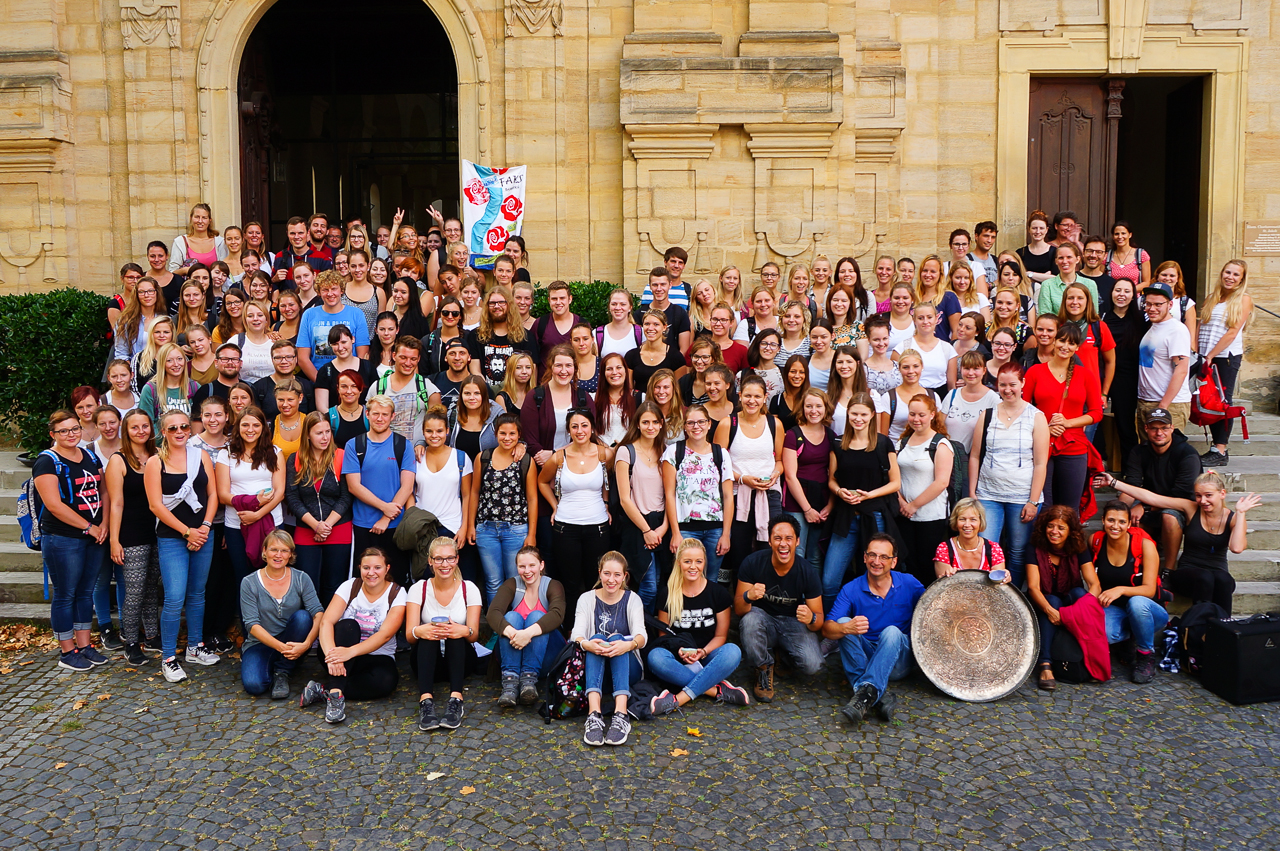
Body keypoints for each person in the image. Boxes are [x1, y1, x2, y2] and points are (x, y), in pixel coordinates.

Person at [1101, 470, 1257, 615]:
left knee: (1225, 580)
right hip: (1188, 574)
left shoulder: (1234, 518)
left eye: (1208, 495)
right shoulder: (1191, 508)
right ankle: (1198, 626)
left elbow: (1236, 547)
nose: (1202, 501)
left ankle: (1224, 628)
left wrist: (1241, 513)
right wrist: (1114, 482)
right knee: (1205, 578)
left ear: (1222, 494)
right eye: (1198, 495)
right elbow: (1153, 498)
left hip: (1216, 575)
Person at [144, 410, 219, 683]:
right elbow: (155, 505)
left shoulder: (201, 456)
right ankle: (168, 657)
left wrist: (206, 527)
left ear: (190, 429)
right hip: (173, 536)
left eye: (184, 427)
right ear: (163, 432)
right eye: (172, 428)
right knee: (175, 597)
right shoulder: (155, 462)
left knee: (197, 593)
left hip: (203, 533)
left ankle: (194, 647)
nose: (179, 431)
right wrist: (187, 532)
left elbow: (212, 494)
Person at [36, 410, 110, 672]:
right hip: (63, 539)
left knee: (85, 593)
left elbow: (103, 489)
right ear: (52, 434)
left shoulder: (89, 454)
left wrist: (105, 524)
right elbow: (54, 505)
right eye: (64, 431)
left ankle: (84, 645)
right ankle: (67, 651)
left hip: (94, 535)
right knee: (66, 594)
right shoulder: (47, 461)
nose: (71, 434)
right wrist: (90, 527)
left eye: (75, 429)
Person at [824, 533, 923, 725]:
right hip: (868, 656)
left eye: (884, 557)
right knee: (843, 622)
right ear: (864, 558)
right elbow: (828, 630)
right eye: (872, 555)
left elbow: (933, 607)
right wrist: (846, 627)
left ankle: (864, 691)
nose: (877, 561)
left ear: (893, 562)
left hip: (899, 660)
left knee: (892, 632)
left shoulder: (909, 583)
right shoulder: (851, 589)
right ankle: (872, 695)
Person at [301, 548, 405, 724]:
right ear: (359, 568)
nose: (371, 573)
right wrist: (332, 656)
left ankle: (322, 689)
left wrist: (350, 652)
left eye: (377, 568)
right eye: (366, 568)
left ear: (387, 569)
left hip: (375, 656)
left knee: (386, 682)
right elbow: (326, 622)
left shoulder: (397, 593)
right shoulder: (350, 586)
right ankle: (336, 696)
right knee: (349, 626)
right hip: (336, 649)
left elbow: (385, 635)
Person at [648, 539, 750, 715]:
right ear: (679, 563)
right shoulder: (667, 593)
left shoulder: (718, 593)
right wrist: (680, 650)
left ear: (704, 563)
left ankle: (677, 699)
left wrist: (702, 652)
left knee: (733, 651)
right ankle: (716, 691)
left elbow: (720, 637)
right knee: (655, 657)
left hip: (708, 657)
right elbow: (663, 637)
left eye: (698, 561)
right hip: (678, 659)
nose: (693, 567)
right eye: (687, 561)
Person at [970, 363, 1049, 588]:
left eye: (1013, 384)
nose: (1007, 389)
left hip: (1022, 496)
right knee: (987, 546)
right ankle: (987, 593)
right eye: (1002, 385)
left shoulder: (1036, 417)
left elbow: (1041, 463)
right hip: (988, 494)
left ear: (1023, 384)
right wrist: (973, 492)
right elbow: (975, 456)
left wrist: (1033, 501)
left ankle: (1012, 595)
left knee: (1017, 550)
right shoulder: (987, 415)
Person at [735, 515, 824, 702]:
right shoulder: (753, 562)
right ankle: (763, 668)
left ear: (798, 541)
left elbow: (819, 621)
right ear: (769, 541)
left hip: (792, 622)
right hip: (762, 618)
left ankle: (782, 654)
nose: (783, 544)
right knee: (749, 620)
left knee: (813, 665)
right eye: (778, 538)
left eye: (789, 538)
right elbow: (739, 610)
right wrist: (747, 596)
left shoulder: (807, 571)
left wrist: (811, 618)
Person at [824, 394, 902, 608]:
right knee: (829, 581)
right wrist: (840, 492)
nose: (858, 419)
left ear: (872, 415)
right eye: (854, 414)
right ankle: (832, 625)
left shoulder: (883, 443)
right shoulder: (838, 443)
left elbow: (895, 483)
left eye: (863, 414)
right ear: (847, 414)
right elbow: (832, 479)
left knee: (877, 576)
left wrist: (870, 494)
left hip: (875, 516)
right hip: (846, 517)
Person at [571, 551, 648, 747]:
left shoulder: (632, 599)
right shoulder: (586, 599)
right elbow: (576, 634)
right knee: (596, 638)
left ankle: (621, 715)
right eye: (606, 574)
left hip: (627, 668)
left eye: (616, 575)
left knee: (616, 639)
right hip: (596, 672)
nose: (611, 580)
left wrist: (626, 645)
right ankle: (594, 715)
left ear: (624, 576)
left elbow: (642, 636)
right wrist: (587, 644)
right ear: (599, 573)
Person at [405, 536, 482, 732]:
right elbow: (409, 636)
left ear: (457, 559)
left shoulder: (469, 588)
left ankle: (456, 699)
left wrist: (463, 630)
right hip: (426, 660)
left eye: (449, 558)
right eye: (439, 559)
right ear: (430, 561)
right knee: (431, 633)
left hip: (460, 659)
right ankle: (426, 701)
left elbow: (474, 636)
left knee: (452, 633)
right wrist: (420, 630)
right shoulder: (418, 588)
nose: (444, 564)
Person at [538, 408, 613, 607]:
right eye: (574, 426)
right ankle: (571, 630)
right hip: (565, 526)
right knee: (569, 582)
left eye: (584, 425)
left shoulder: (604, 454)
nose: (580, 430)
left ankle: (594, 627)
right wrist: (555, 506)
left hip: (598, 526)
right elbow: (543, 481)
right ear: (569, 430)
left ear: (592, 428)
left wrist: (605, 503)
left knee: (595, 581)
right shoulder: (559, 456)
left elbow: (607, 480)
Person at [1086, 500, 1167, 684]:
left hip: (1149, 611)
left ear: (1129, 524)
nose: (1115, 526)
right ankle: (1128, 640)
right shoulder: (1096, 541)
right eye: (1111, 520)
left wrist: (1120, 589)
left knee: (1136, 603)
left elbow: (1149, 589)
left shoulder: (1144, 545)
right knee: (1105, 634)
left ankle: (1146, 655)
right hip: (1115, 609)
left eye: (1122, 522)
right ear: (1103, 520)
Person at [1023, 323, 1102, 510]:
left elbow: (1096, 412)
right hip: (1043, 443)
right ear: (1054, 341)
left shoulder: (1086, 375)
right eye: (1062, 340)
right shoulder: (1035, 371)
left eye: (1072, 343)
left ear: (1077, 347)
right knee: (1044, 504)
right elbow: (1024, 409)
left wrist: (1068, 423)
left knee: (1069, 507)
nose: (1065, 346)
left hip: (1074, 445)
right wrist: (1045, 428)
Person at [715, 375, 783, 585]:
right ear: (740, 396)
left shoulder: (774, 423)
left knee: (769, 547)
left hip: (768, 493)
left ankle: (767, 595)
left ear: (765, 398)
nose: (752, 401)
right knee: (739, 550)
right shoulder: (729, 423)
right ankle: (740, 598)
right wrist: (743, 478)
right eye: (747, 396)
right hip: (737, 496)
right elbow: (717, 464)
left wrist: (774, 475)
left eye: (757, 396)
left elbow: (779, 461)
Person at [239, 531, 324, 699]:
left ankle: (282, 671)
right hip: (259, 643)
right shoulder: (249, 582)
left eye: (284, 550)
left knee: (302, 617)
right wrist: (281, 648)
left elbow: (318, 613)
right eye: (273, 549)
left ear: (291, 554)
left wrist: (307, 644)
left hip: (293, 640)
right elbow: (252, 625)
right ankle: (277, 662)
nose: (278, 555)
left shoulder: (301, 578)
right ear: (264, 551)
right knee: (254, 685)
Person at [105, 409, 161, 664]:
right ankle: (130, 641)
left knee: (152, 587)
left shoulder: (158, 455)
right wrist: (114, 540)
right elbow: (115, 503)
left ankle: (151, 635)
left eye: (145, 426)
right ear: (126, 431)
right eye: (134, 427)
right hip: (131, 533)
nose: (141, 431)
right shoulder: (119, 460)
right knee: (135, 591)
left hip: (159, 531)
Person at [215, 405, 286, 597]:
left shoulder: (275, 452)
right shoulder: (226, 453)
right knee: (243, 578)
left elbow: (280, 492)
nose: (250, 429)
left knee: (270, 576)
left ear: (263, 427)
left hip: (270, 524)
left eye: (255, 425)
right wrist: (254, 500)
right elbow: (222, 494)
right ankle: (248, 626)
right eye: (245, 425)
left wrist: (257, 514)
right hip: (236, 526)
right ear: (237, 427)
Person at [286, 411, 354, 604]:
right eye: (318, 433)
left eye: (327, 432)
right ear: (307, 434)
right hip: (307, 528)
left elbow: (346, 496)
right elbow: (292, 497)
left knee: (334, 585)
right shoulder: (295, 459)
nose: (325, 437)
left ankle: (329, 629)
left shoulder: (340, 456)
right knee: (308, 585)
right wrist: (315, 525)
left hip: (338, 527)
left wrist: (326, 526)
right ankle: (311, 630)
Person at [1025, 506, 1095, 691]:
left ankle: (1089, 658)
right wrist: (1051, 611)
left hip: (1071, 601)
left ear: (1070, 531)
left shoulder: (1079, 546)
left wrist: (1081, 609)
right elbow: (1033, 587)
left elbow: (1094, 585)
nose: (1054, 531)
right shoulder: (1035, 547)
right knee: (1053, 601)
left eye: (1061, 528)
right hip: (1044, 602)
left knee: (1081, 594)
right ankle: (1045, 665)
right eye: (1050, 526)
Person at [664, 404, 734, 587]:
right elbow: (669, 495)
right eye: (691, 423)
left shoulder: (721, 454)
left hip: (715, 529)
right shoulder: (673, 452)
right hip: (685, 529)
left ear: (709, 424)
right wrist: (675, 532)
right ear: (685, 426)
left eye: (701, 422)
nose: (697, 427)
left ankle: (708, 615)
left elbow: (728, 496)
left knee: (710, 580)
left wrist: (726, 533)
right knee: (684, 579)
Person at [471, 413, 538, 603]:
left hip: (515, 529)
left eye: (512, 434)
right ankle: (497, 628)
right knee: (493, 582)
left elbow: (532, 498)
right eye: (502, 433)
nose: (507, 438)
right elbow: (475, 492)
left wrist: (531, 533)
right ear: (495, 433)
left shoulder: (525, 461)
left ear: (519, 436)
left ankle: (516, 626)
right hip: (486, 529)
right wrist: (470, 525)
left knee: (515, 581)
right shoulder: (483, 458)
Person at [487, 545, 566, 707]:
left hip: (545, 656)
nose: (527, 571)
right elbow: (492, 613)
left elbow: (557, 614)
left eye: (532, 565)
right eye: (522, 566)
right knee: (511, 617)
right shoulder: (512, 584)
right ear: (517, 567)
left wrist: (527, 633)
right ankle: (510, 685)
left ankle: (529, 682)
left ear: (541, 565)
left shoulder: (553, 585)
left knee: (537, 616)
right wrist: (514, 634)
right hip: (514, 656)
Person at [615, 402, 673, 610]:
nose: (650, 426)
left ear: (661, 425)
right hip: (637, 524)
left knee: (661, 582)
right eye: (645, 422)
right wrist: (647, 531)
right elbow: (624, 499)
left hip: (661, 524)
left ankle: (648, 632)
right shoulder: (626, 452)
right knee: (648, 585)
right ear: (637, 425)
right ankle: (640, 632)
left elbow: (670, 495)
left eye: (655, 422)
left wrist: (664, 528)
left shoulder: (666, 452)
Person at [1197, 260, 1252, 466]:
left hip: (1225, 357)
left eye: (1236, 274)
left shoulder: (1243, 299)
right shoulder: (1212, 298)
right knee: (1209, 401)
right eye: (1227, 272)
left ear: (1241, 279)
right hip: (1206, 356)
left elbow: (1232, 333)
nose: (1230, 277)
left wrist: (1211, 355)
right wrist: (1199, 353)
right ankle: (1215, 448)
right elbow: (1200, 326)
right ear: (1221, 274)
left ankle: (1220, 449)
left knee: (1222, 402)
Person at [895, 394, 955, 586]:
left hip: (931, 516)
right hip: (904, 515)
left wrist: (913, 505)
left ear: (932, 414)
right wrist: (902, 503)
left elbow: (941, 482)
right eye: (912, 414)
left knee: (927, 566)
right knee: (908, 565)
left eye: (921, 414)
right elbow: (893, 476)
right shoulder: (903, 442)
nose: (916, 419)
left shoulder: (940, 444)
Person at [782, 388, 835, 578]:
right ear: (802, 408)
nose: (814, 411)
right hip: (797, 502)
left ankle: (813, 601)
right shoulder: (793, 435)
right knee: (797, 552)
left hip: (822, 501)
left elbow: (834, 474)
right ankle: (795, 601)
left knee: (815, 556)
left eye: (818, 406)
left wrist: (830, 505)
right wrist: (806, 509)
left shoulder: (831, 436)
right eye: (809, 406)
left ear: (825, 408)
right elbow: (790, 476)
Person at [1058, 281, 1114, 440]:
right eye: (1070, 298)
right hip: (1062, 395)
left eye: (1080, 298)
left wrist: (1104, 393)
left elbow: (1110, 361)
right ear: (1064, 301)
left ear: (1088, 301)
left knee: (1083, 444)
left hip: (1090, 397)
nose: (1075, 302)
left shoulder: (1099, 327)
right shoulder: (1057, 326)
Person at [1136, 282, 1192, 434]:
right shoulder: (1153, 327)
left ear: (1170, 304)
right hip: (1146, 401)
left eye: (1158, 304)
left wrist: (1163, 406)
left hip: (1169, 403)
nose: (1152, 309)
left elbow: (1181, 370)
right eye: (1148, 304)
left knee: (1169, 453)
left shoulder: (1176, 330)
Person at [1102, 278, 1147, 464]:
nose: (1121, 295)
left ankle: (1130, 470)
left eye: (1127, 291)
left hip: (1127, 378)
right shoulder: (1103, 317)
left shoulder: (1141, 320)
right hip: (1104, 376)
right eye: (1117, 290)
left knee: (1125, 425)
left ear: (1133, 295)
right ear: (1111, 292)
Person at [296, 271, 371, 380]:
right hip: (319, 377)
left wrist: (351, 380)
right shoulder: (309, 314)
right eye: (325, 290)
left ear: (341, 290)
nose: (330, 293)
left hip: (351, 379)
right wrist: (321, 382)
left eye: (334, 289)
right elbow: (303, 358)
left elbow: (362, 354)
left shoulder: (356, 314)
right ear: (318, 292)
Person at [372, 338, 441, 439]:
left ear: (418, 359)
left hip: (417, 452)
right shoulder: (378, 387)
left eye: (413, 359)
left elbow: (437, 426)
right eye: (403, 358)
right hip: (385, 451)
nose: (408, 363)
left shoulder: (428, 389)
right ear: (394, 356)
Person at [469, 285, 534, 388]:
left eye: (501, 302)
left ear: (509, 305)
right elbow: (475, 371)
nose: (496, 306)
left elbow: (531, 372)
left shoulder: (525, 336)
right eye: (492, 303)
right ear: (486, 306)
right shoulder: (475, 336)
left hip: (515, 395)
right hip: (486, 395)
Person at [932, 499, 1008, 581]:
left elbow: (997, 585)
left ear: (980, 522)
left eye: (973, 519)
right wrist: (949, 575)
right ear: (955, 521)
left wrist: (1005, 577)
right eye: (962, 519)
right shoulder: (944, 548)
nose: (967, 525)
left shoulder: (993, 548)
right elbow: (943, 586)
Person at [892, 300, 957, 398]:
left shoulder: (947, 349)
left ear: (936, 319)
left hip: (940, 397)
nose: (926, 321)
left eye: (929, 317)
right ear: (914, 320)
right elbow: (896, 380)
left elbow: (951, 385)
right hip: (910, 397)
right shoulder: (902, 348)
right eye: (920, 318)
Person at [940, 351, 999, 452]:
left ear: (984, 370)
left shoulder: (993, 399)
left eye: (976, 368)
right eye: (967, 368)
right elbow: (939, 426)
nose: (971, 373)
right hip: (947, 456)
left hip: (973, 457)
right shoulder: (952, 395)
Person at [312, 324, 377, 413]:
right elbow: (322, 409)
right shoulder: (325, 371)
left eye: (343, 342)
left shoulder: (368, 367)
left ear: (352, 339)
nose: (340, 348)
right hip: (335, 423)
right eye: (335, 344)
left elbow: (376, 401)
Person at [625, 308, 687, 391]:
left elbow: (679, 390)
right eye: (647, 324)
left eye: (656, 324)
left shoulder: (675, 357)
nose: (650, 328)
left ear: (664, 327)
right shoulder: (631, 355)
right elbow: (628, 390)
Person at [880, 350, 936, 442]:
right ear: (899, 368)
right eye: (906, 367)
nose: (911, 371)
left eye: (915, 366)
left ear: (922, 367)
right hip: (896, 451)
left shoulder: (932, 396)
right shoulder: (889, 398)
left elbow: (938, 428)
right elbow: (883, 437)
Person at [253, 341, 315, 421]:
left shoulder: (307, 386)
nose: (284, 361)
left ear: (296, 359)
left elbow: (312, 419)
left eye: (289, 357)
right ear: (272, 360)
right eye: (278, 358)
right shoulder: (259, 388)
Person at [1037, 243, 1100, 318]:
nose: (1064, 261)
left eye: (1069, 257)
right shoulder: (1047, 285)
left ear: (1077, 259)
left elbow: (1093, 314)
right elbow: (1045, 316)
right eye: (1061, 258)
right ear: (1056, 261)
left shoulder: (1090, 284)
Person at [914, 256, 962, 344]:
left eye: (933, 271)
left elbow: (956, 331)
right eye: (925, 270)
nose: (928, 275)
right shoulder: (912, 297)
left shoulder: (949, 297)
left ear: (940, 274)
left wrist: (949, 352)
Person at [168, 203, 226, 275]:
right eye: (197, 217)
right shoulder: (180, 242)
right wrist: (185, 270)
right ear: (191, 218)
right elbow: (172, 272)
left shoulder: (220, 242)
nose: (200, 221)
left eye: (204, 218)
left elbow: (225, 270)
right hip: (189, 285)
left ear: (209, 220)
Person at [533, 280, 584, 361]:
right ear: (549, 300)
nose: (558, 302)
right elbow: (533, 358)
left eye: (562, 298)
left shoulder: (582, 324)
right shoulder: (540, 324)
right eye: (554, 299)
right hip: (546, 373)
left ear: (570, 299)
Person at [596, 352, 637, 447]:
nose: (614, 372)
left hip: (629, 452)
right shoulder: (594, 398)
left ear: (626, 370)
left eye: (619, 367)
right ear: (603, 373)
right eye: (609, 369)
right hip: (602, 452)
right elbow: (591, 430)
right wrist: (607, 449)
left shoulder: (638, 397)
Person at [597, 288, 643, 359]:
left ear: (630, 307)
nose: (618, 308)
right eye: (614, 304)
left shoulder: (641, 333)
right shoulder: (597, 334)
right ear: (609, 307)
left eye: (623, 304)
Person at [741, 328, 784, 403]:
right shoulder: (742, 374)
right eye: (764, 343)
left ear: (778, 349)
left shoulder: (784, 374)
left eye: (773, 345)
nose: (768, 348)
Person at [863, 315, 901, 398]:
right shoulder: (863, 369)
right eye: (876, 339)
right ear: (869, 339)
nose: (881, 343)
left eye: (885, 338)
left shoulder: (897, 367)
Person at [1106, 221, 1151, 290]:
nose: (1120, 237)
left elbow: (1146, 282)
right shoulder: (1107, 256)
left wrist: (1128, 292)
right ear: (1113, 236)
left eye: (1123, 233)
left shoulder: (1141, 254)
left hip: (1134, 298)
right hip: (1113, 297)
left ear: (1130, 235)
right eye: (1116, 234)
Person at [770, 355, 809, 433]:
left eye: (801, 372)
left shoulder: (811, 399)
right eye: (793, 371)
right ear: (786, 373)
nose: (797, 376)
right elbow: (774, 429)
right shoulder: (777, 400)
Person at [1017, 211, 1058, 285]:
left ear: (1046, 230)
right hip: (1027, 292)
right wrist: (1044, 276)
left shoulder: (1054, 252)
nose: (1038, 231)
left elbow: (1056, 278)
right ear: (1029, 229)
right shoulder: (1021, 252)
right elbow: (1018, 276)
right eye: (1034, 228)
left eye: (1041, 228)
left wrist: (1030, 274)